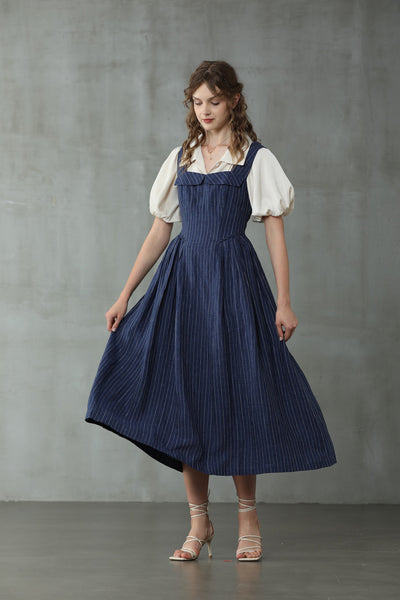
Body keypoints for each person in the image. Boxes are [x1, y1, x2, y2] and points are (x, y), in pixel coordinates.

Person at [85, 60, 337, 562]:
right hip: (183, 285)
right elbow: (161, 230)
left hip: (233, 283)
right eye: (197, 102)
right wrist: (125, 294)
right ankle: (198, 523)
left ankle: (248, 518)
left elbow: (274, 232)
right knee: (186, 397)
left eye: (214, 102)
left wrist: (284, 301)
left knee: (239, 392)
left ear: (234, 101)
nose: (205, 110)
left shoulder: (254, 158)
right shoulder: (182, 157)